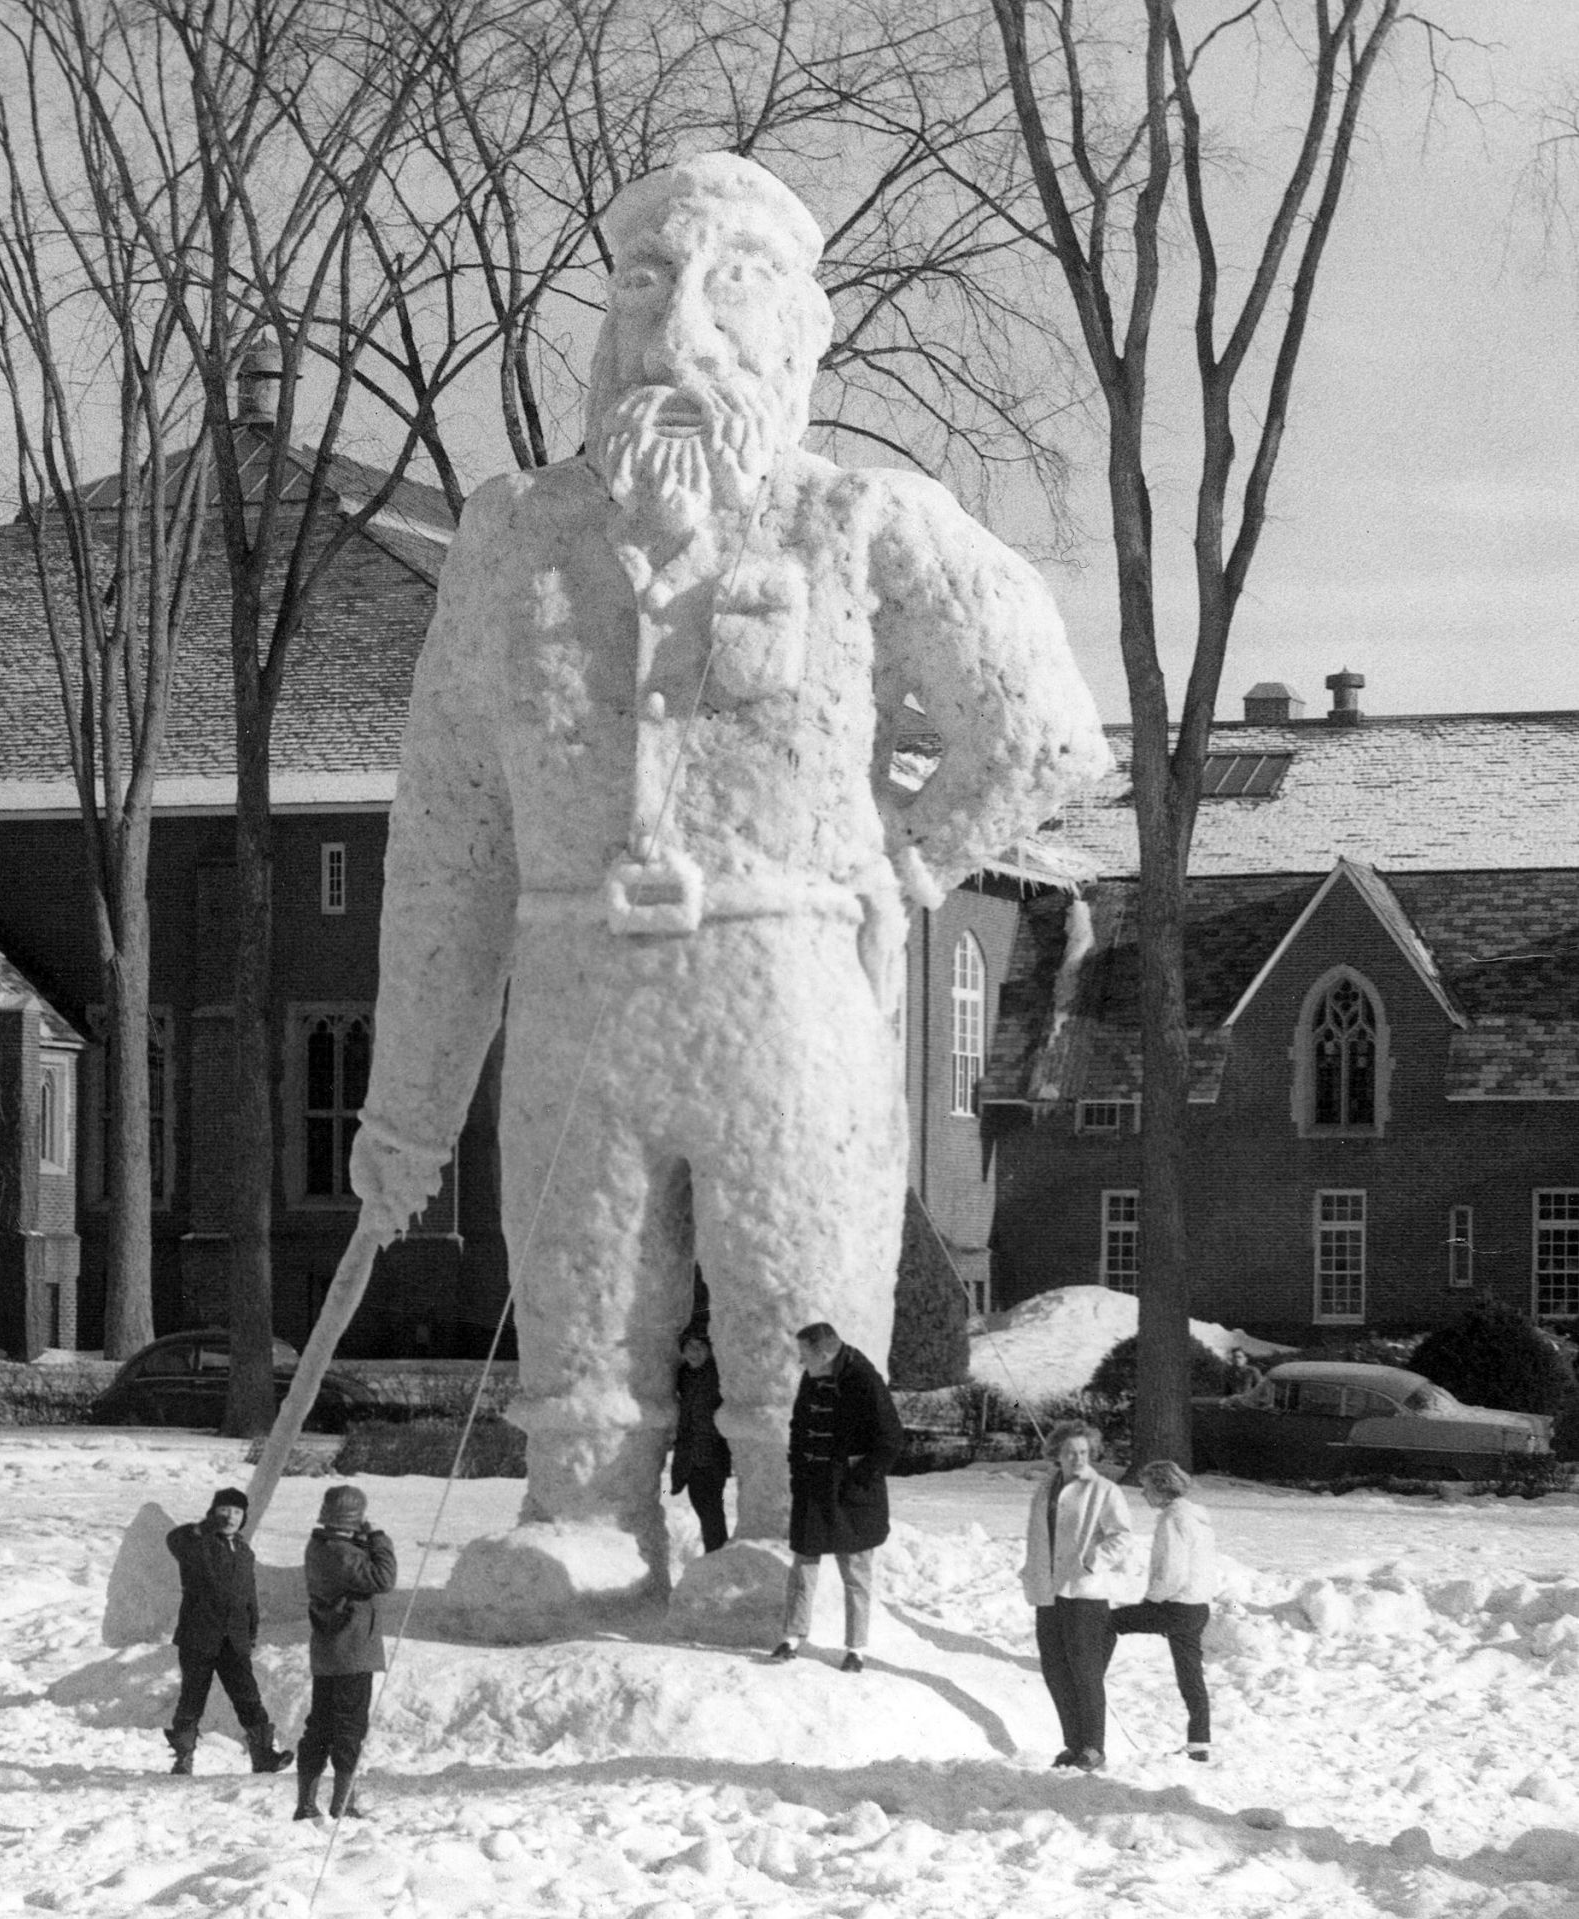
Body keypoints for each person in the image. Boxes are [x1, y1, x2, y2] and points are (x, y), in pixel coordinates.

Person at [344, 150, 1109, 1607]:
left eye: (731, 279)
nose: (680, 319)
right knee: (580, 1308)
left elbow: (1040, 725)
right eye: (646, 279)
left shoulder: (860, 521)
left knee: (794, 1299)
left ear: (797, 327)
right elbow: (452, 841)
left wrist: (907, 858)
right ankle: (583, 1510)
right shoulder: (513, 542)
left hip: (785, 994)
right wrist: (410, 1105)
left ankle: (785, 1523)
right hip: (578, 996)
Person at [768, 1322, 902, 1672]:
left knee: (856, 1570)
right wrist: (798, 1470)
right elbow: (799, 1426)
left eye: (804, 1355)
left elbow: (890, 1438)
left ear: (824, 1352)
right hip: (814, 1486)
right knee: (804, 1563)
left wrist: (861, 1479)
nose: (800, 1362)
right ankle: (792, 1637)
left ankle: (856, 1648)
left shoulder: (863, 1379)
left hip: (852, 1493)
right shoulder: (814, 1376)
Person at [1020, 1421, 1134, 1772]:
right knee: (1056, 1671)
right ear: (1056, 1454)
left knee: (1085, 1672)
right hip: (1048, 1592)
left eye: (1084, 1452)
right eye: (1070, 1452)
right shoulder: (1046, 1488)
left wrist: (1091, 1561)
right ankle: (1072, 1744)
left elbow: (1122, 1537)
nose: (1077, 1458)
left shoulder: (1104, 1490)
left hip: (1084, 1593)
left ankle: (1094, 1747)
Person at [164, 1487, 292, 1777]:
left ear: (244, 1516)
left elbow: (249, 1596)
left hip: (234, 1638)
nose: (230, 1517)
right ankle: (183, 1758)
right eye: (224, 1510)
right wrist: (206, 1528)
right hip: (199, 1635)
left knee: (248, 1696)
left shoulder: (245, 1551)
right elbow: (176, 1540)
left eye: (237, 1512)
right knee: (192, 1697)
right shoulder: (197, 1544)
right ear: (213, 1513)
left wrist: (251, 1630)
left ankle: (263, 1756)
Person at [295, 1484, 398, 1822]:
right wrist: (380, 1540)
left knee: (320, 1727)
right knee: (350, 1728)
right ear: (357, 1516)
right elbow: (382, 1578)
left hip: (327, 1654)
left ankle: (306, 1803)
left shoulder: (320, 1546)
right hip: (352, 1653)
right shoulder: (343, 1553)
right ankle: (343, 1803)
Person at [1109, 1460, 1216, 1762]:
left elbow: (1172, 1574)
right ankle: (1198, 1744)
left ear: (1161, 1488)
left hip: (1176, 1607)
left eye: (1146, 1488)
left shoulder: (1173, 1519)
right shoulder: (1197, 1518)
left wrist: (1151, 1601)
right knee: (1191, 1677)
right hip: (1197, 1608)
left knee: (1109, 1621)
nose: (1143, 1495)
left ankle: (1087, 1675)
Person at [671, 1329, 733, 1552]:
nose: (694, 1353)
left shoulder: (716, 1375)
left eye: (700, 1347)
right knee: (702, 1505)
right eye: (689, 1347)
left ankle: (717, 1555)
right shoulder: (684, 1376)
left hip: (712, 1454)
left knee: (711, 1511)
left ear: (709, 1350)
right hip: (691, 1455)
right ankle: (715, 1554)